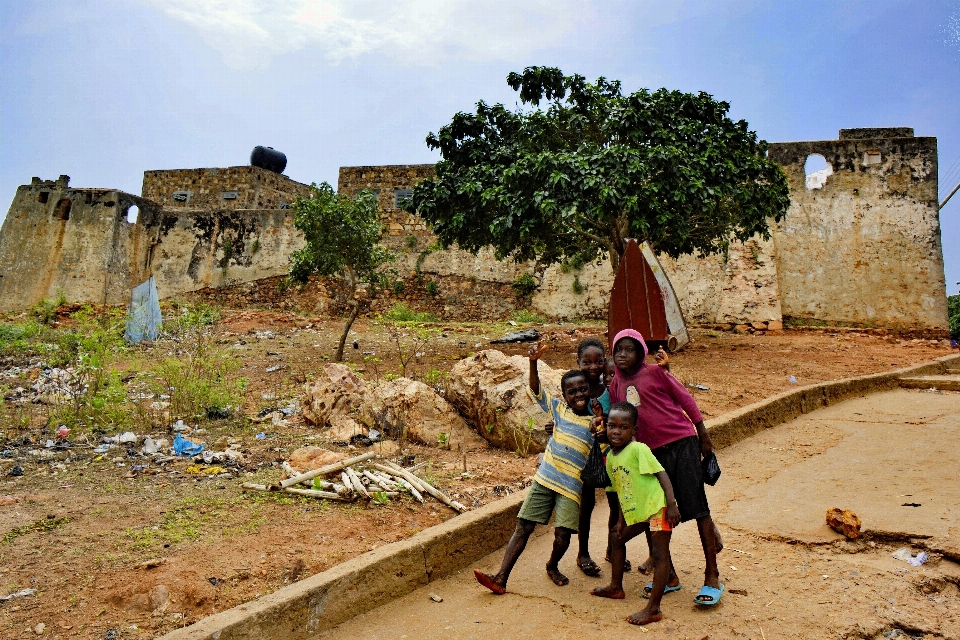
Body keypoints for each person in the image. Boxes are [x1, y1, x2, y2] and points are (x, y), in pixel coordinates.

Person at [608, 328, 725, 606]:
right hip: (649, 455)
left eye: (630, 349)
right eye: (618, 350)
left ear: (641, 352)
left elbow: (686, 400)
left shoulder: (656, 373)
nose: (623, 355)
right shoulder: (615, 385)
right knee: (654, 511)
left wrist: (703, 433)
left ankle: (712, 575)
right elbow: (621, 421)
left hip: (681, 443)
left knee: (697, 508)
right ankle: (668, 575)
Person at [474, 343, 597, 594]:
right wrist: (532, 363)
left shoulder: (596, 421)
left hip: (571, 488)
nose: (578, 395)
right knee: (524, 526)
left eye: (583, 389)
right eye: (572, 392)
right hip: (545, 479)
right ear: (564, 396)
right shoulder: (559, 410)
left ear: (590, 390)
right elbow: (535, 390)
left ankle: (552, 565)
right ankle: (501, 577)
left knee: (563, 535)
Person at [590, 401, 681, 625]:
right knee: (616, 538)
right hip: (638, 513)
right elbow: (621, 489)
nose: (616, 431)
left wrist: (671, 505)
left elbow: (662, 475)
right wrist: (622, 519)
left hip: (657, 509)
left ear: (634, 430)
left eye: (623, 427)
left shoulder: (639, 449)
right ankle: (616, 587)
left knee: (660, 555)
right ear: (605, 427)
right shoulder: (611, 457)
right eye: (612, 426)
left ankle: (654, 609)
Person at [572, 337, 626, 577]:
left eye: (598, 361)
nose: (593, 366)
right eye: (587, 362)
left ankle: (611, 548)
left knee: (615, 503)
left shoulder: (611, 387)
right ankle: (582, 553)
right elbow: (566, 410)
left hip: (610, 453)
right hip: (584, 453)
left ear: (605, 362)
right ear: (578, 363)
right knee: (587, 504)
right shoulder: (576, 388)